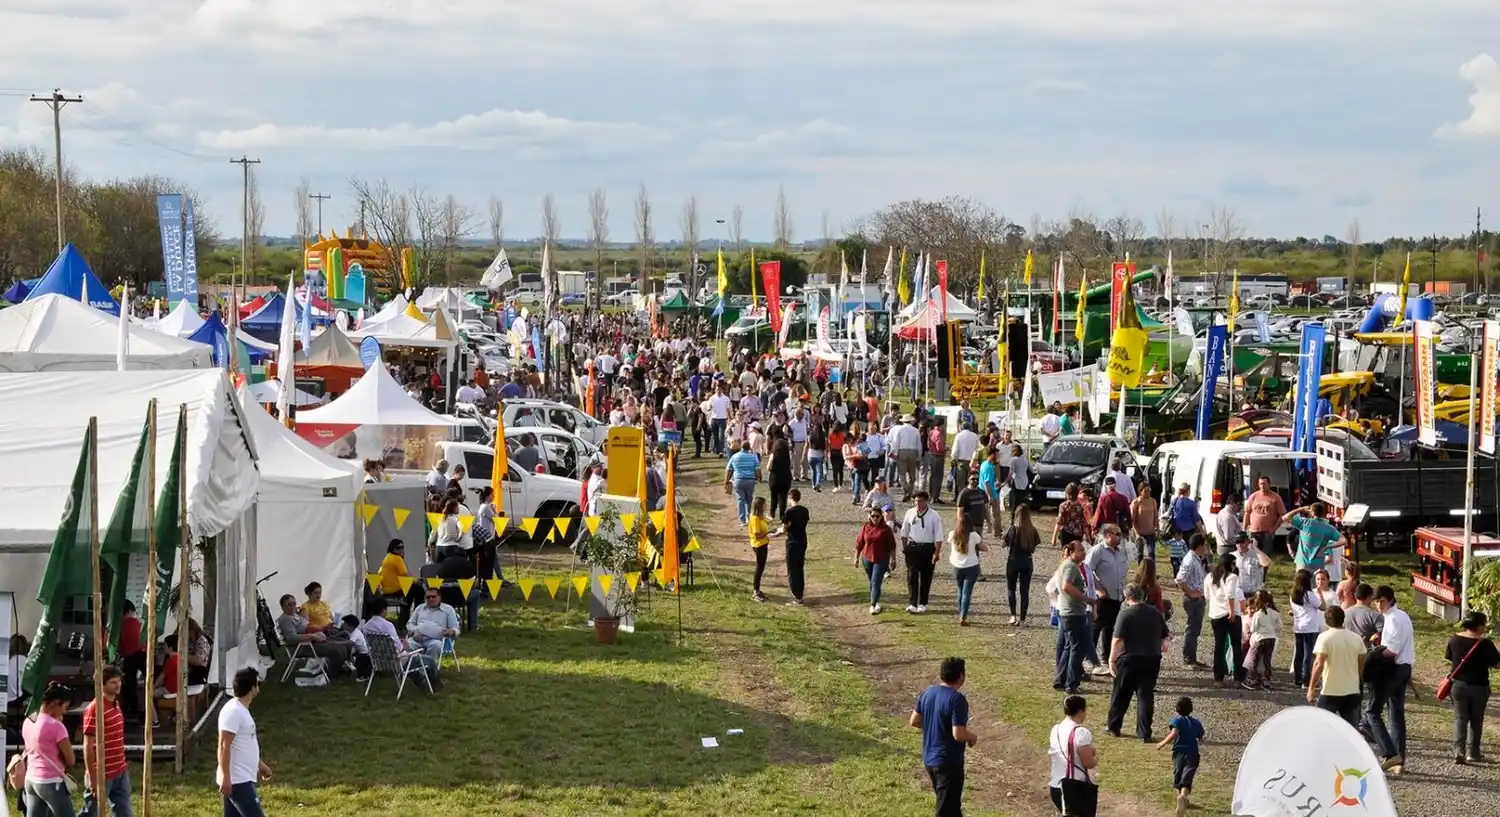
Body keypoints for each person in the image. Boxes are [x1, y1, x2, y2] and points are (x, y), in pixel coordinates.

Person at [910, 657, 978, 817]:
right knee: (946, 811)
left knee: (952, 808)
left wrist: (936, 727)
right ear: (961, 675)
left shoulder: (928, 692)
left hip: (930, 760)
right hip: (948, 763)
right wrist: (972, 737)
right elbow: (958, 733)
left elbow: (914, 721)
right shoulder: (957, 699)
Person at [1107, 583, 1169, 742]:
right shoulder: (1155, 612)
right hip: (1151, 659)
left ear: (1127, 597)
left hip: (1130, 659)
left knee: (1121, 694)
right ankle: (1144, 732)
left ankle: (1114, 727)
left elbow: (1118, 640)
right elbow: (1164, 636)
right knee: (1146, 696)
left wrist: (1112, 659)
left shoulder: (1125, 614)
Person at [1367, 585, 1414, 773]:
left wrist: (1374, 654)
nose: (1379, 605)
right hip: (1404, 668)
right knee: (1396, 714)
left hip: (1394, 668)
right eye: (1377, 601)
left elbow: (1392, 651)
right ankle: (1399, 761)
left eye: (1382, 601)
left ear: (1391, 600)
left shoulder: (1393, 619)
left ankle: (1389, 753)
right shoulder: (1401, 615)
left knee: (1372, 712)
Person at [1446, 611, 1500, 764]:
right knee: (1476, 720)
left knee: (1460, 718)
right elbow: (1497, 664)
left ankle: (1458, 750)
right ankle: (1473, 753)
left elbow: (1450, 657)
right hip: (1479, 687)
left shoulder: (1454, 639)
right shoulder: (1485, 644)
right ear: (1478, 626)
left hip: (1458, 686)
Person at [218, 667, 271, 817]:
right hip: (237, 780)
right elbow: (224, 745)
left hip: (240, 778)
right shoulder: (234, 711)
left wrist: (260, 765)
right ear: (252, 688)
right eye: (257, 684)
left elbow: (244, 745)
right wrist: (226, 776)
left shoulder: (240, 710)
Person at [80, 666, 130, 817]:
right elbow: (88, 745)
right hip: (102, 772)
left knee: (124, 812)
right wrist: (92, 776)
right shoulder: (95, 709)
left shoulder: (115, 703)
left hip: (120, 770)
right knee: (90, 812)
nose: (118, 685)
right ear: (101, 685)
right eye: (113, 682)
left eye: (119, 681)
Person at [22, 682, 76, 817]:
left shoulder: (29, 719)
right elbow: (71, 760)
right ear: (57, 703)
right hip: (51, 782)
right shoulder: (57, 727)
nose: (64, 711)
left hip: (31, 779)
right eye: (65, 706)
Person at [1308, 606, 1366, 728]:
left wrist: (1311, 687)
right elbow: (1361, 663)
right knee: (1351, 730)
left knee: (1321, 726)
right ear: (1343, 619)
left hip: (1331, 690)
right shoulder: (1356, 638)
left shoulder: (1324, 638)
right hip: (1352, 690)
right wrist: (1359, 679)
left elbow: (1319, 663)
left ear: (1326, 620)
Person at [1154, 696, 1205, 817]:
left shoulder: (1177, 721)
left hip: (1179, 753)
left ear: (1177, 709)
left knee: (1178, 775)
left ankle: (1180, 797)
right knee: (1187, 777)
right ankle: (1183, 797)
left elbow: (1174, 733)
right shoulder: (1196, 722)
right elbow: (1201, 738)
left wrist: (1162, 743)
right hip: (1193, 753)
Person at [1047, 694, 1097, 816]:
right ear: (1080, 711)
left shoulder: (1056, 729)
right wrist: (1096, 756)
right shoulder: (1081, 732)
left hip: (1056, 786)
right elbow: (1089, 763)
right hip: (1074, 788)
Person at [1052, 540, 1092, 694]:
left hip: (1068, 612)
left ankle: (1060, 679)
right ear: (1072, 552)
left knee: (1070, 646)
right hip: (1073, 613)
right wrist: (1085, 598)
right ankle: (1072, 683)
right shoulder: (1070, 566)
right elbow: (1066, 586)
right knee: (1077, 648)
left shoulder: (1068, 565)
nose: (1084, 552)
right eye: (1081, 550)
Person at [1086, 525, 1129, 663]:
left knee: (1110, 628)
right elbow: (1087, 571)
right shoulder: (1097, 551)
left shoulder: (1120, 552)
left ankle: (1107, 658)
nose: (1120, 537)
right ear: (1108, 535)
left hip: (1117, 597)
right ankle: (1089, 658)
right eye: (1117, 534)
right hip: (1102, 597)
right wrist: (1098, 590)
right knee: (1096, 627)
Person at [900, 491, 944, 614]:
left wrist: (937, 552)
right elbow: (904, 531)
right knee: (911, 576)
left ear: (926, 501)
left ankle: (923, 603)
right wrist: (905, 547)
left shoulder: (934, 515)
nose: (917, 504)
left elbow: (938, 535)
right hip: (913, 547)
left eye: (920, 501)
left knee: (926, 577)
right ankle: (912, 603)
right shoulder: (910, 513)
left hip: (927, 547)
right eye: (915, 501)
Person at [406, 588, 459, 690]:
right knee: (405, 646)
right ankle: (411, 671)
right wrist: (414, 631)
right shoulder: (420, 608)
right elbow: (410, 624)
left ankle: (423, 673)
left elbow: (456, 629)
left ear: (439, 597)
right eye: (428, 597)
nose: (430, 599)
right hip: (417, 638)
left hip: (434, 639)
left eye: (433, 597)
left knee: (436, 646)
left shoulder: (448, 609)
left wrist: (451, 631)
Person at [1205, 551, 1244, 687]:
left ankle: (1218, 678)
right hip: (1231, 613)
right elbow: (1230, 595)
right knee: (1236, 646)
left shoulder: (1210, 577)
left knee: (1219, 646)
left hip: (1216, 614)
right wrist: (1232, 611)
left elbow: (1207, 595)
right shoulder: (1232, 577)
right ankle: (1238, 678)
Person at [1174, 534, 1209, 668]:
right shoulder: (1190, 560)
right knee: (1192, 630)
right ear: (1199, 546)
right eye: (1204, 544)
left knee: (1195, 630)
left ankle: (1192, 657)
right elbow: (1180, 579)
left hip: (1199, 598)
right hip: (1193, 600)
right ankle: (1188, 659)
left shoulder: (1197, 559)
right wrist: (1189, 592)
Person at [1003, 505, 1042, 625]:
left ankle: (1013, 615)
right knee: (1024, 591)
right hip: (1027, 561)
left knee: (1011, 589)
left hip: (1013, 561)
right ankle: (1023, 619)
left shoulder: (1013, 529)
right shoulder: (1032, 530)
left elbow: (1004, 544)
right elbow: (1035, 545)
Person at [855, 505, 897, 614]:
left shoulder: (886, 529)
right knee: (872, 581)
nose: (875, 518)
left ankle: (873, 604)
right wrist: (856, 557)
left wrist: (893, 559)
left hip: (881, 558)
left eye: (877, 516)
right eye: (872, 516)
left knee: (876, 581)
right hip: (867, 558)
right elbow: (860, 543)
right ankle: (876, 600)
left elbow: (892, 545)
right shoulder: (865, 527)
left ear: (881, 517)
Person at [948, 512, 985, 626]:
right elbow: (984, 548)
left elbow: (949, 542)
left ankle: (960, 612)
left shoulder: (952, 534)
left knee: (960, 590)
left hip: (957, 566)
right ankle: (963, 616)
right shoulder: (973, 536)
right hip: (971, 566)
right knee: (967, 592)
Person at [1282, 502, 1344, 572]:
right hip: (1318, 564)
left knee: (1302, 582)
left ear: (1313, 513)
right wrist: (1328, 546)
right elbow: (1343, 540)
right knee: (1316, 582)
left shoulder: (1305, 522)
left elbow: (1285, 518)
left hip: (1302, 562)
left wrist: (1300, 509)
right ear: (1323, 513)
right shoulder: (1329, 528)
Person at [1289, 569, 1322, 686]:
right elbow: (1322, 606)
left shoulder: (1293, 595)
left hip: (1298, 627)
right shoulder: (1310, 595)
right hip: (1310, 626)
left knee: (1299, 653)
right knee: (1308, 654)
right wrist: (1320, 594)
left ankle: (1297, 679)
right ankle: (1306, 680)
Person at [778, 489, 810, 605]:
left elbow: (785, 528)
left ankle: (797, 597)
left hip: (792, 542)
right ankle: (800, 592)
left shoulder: (789, 512)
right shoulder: (805, 511)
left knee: (792, 569)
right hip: (803, 540)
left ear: (790, 498)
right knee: (799, 567)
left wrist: (781, 531)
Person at [116, 600, 146, 723]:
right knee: (147, 681)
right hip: (143, 654)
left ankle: (131, 710)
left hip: (129, 656)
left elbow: (120, 643)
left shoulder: (120, 625)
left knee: (129, 684)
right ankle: (144, 710)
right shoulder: (136, 622)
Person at [1242, 475, 1286, 554]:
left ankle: (1265, 566)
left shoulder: (1275, 497)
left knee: (1265, 555)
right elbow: (1247, 513)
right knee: (1254, 554)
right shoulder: (1253, 496)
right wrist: (1244, 529)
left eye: (1264, 484)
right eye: (1260, 484)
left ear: (1269, 484)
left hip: (1267, 532)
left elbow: (1282, 515)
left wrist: (1274, 529)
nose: (1262, 486)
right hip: (1254, 531)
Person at [1245, 590, 1280, 690]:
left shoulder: (1258, 614)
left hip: (1260, 639)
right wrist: (1272, 630)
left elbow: (1253, 629)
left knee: (1254, 659)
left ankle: (1252, 679)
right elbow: (1279, 626)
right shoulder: (1274, 613)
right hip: (1271, 639)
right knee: (1267, 660)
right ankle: (1267, 681)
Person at [725, 440, 761, 527]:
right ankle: (749, 517)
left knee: (740, 500)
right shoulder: (753, 457)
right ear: (749, 448)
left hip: (738, 480)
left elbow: (729, 469)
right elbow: (758, 469)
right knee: (749, 499)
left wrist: (726, 480)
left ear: (741, 447)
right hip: (750, 480)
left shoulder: (735, 456)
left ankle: (743, 520)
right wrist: (759, 478)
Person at [748, 495, 771, 602]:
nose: (766, 506)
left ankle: (757, 590)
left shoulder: (759, 517)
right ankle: (755, 591)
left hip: (762, 544)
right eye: (764, 504)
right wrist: (769, 533)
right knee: (759, 568)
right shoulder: (755, 519)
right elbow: (757, 535)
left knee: (761, 567)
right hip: (759, 545)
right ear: (760, 506)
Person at [1344, 582, 1383, 647]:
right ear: (1369, 596)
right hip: (1365, 652)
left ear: (1355, 595)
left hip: (1346, 651)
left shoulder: (1344, 613)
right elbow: (1382, 635)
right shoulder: (1374, 615)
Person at [1129, 484, 1158, 564]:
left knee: (1151, 553)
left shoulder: (1153, 501)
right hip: (1140, 533)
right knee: (1140, 554)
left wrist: (1157, 529)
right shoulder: (1136, 502)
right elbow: (1133, 520)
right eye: (1146, 490)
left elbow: (1155, 516)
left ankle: (1152, 572)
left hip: (1150, 532)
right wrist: (1137, 534)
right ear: (1140, 491)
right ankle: (1141, 572)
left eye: (1149, 490)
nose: (1148, 492)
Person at [767, 437, 793, 519]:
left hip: (775, 478)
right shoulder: (788, 455)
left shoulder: (773, 455)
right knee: (783, 497)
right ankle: (782, 515)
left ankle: (772, 514)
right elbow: (791, 466)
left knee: (773, 497)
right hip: (786, 477)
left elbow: (768, 467)